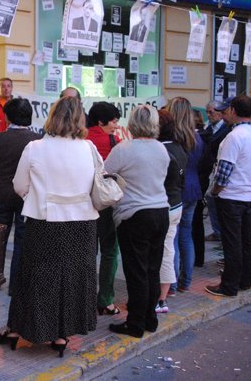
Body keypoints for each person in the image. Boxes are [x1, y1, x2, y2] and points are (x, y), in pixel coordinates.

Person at [0, 97, 98, 358]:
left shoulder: (35, 147)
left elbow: (19, 186)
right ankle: (62, 333)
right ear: (80, 119)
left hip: (44, 220)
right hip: (82, 223)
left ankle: (21, 328)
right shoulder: (89, 148)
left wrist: (40, 196)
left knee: (37, 276)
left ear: (51, 116)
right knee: (72, 277)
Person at [104, 105, 169, 338]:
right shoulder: (161, 149)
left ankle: (135, 323)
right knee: (152, 270)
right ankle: (150, 318)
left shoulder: (124, 149)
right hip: (161, 211)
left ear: (132, 122)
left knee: (136, 272)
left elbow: (103, 174)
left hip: (134, 214)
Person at [206, 95, 251, 297]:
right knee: (246, 241)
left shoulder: (234, 137)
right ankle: (245, 280)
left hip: (231, 196)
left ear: (233, 110)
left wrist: (215, 192)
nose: (222, 114)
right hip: (247, 194)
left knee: (232, 242)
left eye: (225, 110)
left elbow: (224, 172)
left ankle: (229, 285)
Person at [0, 98, 41, 295]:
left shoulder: (0, 139)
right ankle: (16, 284)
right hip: (26, 195)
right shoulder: (37, 141)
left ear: (7, 118)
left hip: (1, 193)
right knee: (22, 239)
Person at [86, 102, 122, 315]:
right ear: (101, 122)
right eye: (114, 121)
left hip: (85, 202)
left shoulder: (81, 140)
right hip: (106, 203)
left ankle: (85, 296)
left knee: (89, 251)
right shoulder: (113, 143)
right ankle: (106, 299)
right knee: (109, 250)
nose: (117, 125)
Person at [166, 97, 204, 294]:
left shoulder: (173, 138)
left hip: (176, 191)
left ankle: (171, 283)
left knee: (172, 238)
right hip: (194, 189)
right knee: (186, 236)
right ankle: (186, 281)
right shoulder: (197, 138)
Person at [155, 109, 187, 314]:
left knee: (158, 252)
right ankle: (163, 298)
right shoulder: (180, 148)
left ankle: (157, 298)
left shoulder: (159, 150)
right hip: (176, 204)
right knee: (168, 250)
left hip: (161, 205)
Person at [199, 101, 231, 243]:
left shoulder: (226, 130)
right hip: (207, 170)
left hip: (216, 170)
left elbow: (213, 143)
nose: (209, 115)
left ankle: (219, 232)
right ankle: (218, 231)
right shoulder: (208, 127)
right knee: (211, 201)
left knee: (214, 200)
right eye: (207, 112)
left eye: (211, 112)